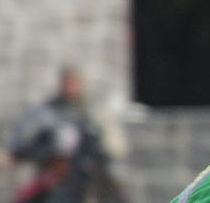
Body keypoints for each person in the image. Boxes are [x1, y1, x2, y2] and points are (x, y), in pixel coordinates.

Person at [10, 66, 128, 203]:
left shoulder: (95, 115)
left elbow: (115, 147)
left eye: (74, 83)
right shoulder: (46, 113)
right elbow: (22, 143)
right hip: (52, 176)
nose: (70, 88)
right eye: (67, 83)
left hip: (87, 178)